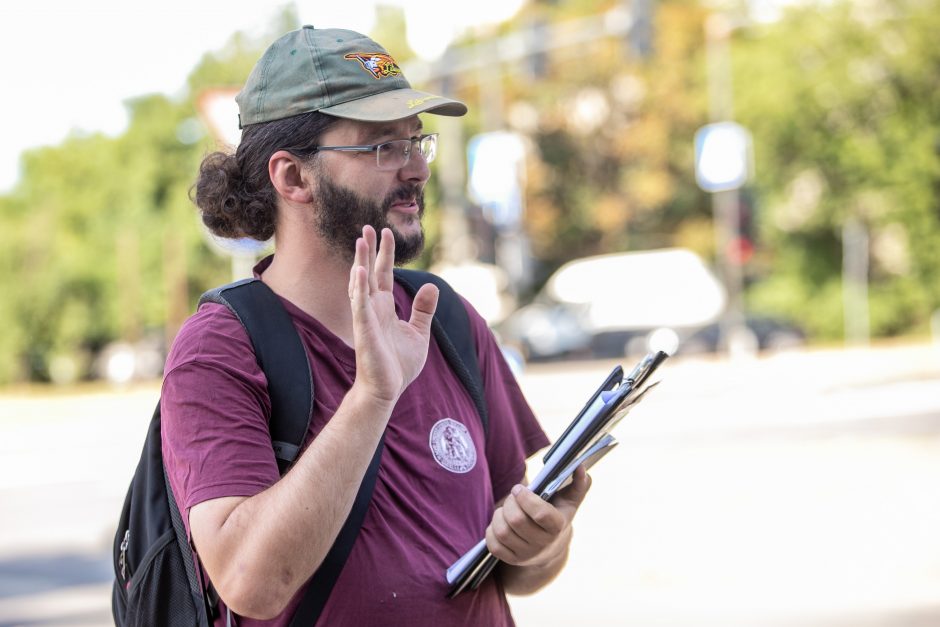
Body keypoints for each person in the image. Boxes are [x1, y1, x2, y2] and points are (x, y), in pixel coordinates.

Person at [161, 25, 591, 626]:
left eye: (417, 142)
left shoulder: (446, 318)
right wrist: (372, 395)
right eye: (382, 147)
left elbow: (522, 573)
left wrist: (545, 538)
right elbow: (249, 583)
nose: (416, 167)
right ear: (293, 178)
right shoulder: (223, 347)